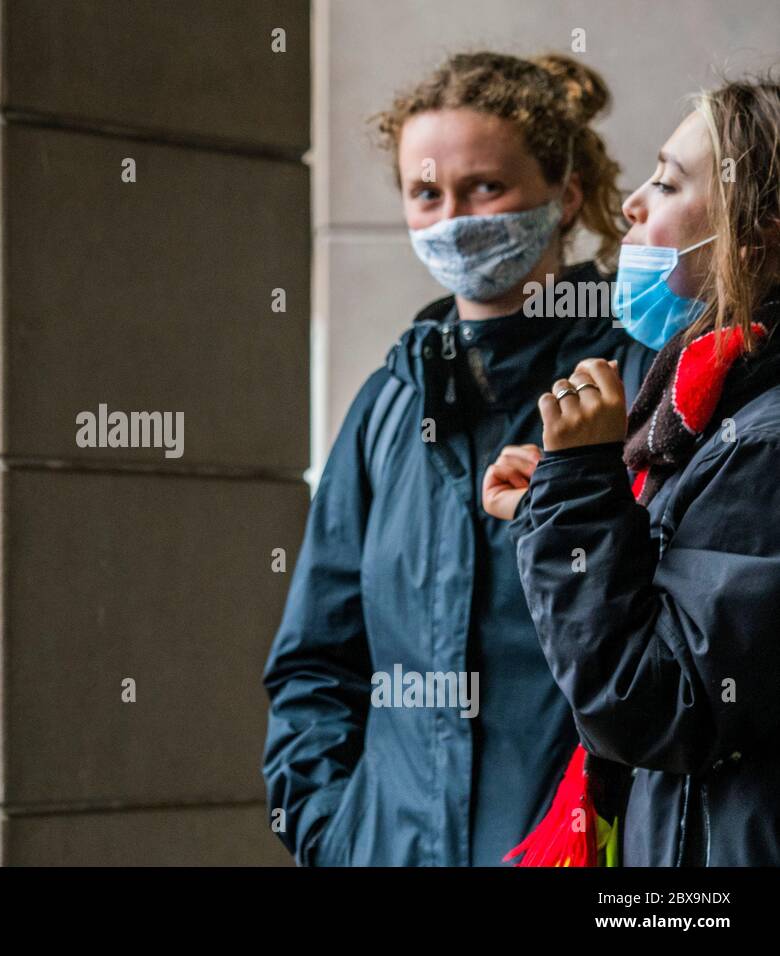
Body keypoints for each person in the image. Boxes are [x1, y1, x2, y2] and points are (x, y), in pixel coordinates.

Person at [261, 51, 654, 866]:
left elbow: (672, 651)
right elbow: (316, 662)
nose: (454, 219)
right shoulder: (389, 406)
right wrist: (332, 835)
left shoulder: (635, 385)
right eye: (426, 194)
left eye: (486, 188)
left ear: (566, 193)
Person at [486, 77, 780, 866]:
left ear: (757, 245)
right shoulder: (710, 409)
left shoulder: (763, 440)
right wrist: (564, 495)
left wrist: (581, 488)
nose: (633, 205)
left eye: (669, 181)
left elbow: (659, 705)